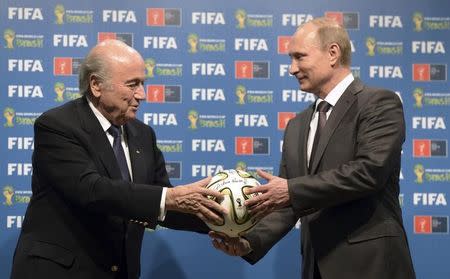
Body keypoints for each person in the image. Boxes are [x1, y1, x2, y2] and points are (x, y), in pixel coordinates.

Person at [210, 17, 416, 279]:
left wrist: (291, 190)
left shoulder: (378, 103)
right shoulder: (297, 125)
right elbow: (286, 203)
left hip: (371, 266)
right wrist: (249, 242)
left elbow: (369, 171)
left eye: (299, 57)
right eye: (290, 59)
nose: (291, 69)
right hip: (315, 268)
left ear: (333, 53)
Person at [10, 39, 226, 279]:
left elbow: (164, 205)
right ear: (96, 85)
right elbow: (92, 190)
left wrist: (226, 223)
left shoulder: (143, 135)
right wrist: (169, 197)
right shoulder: (57, 126)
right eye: (132, 85)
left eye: (142, 84)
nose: (142, 95)